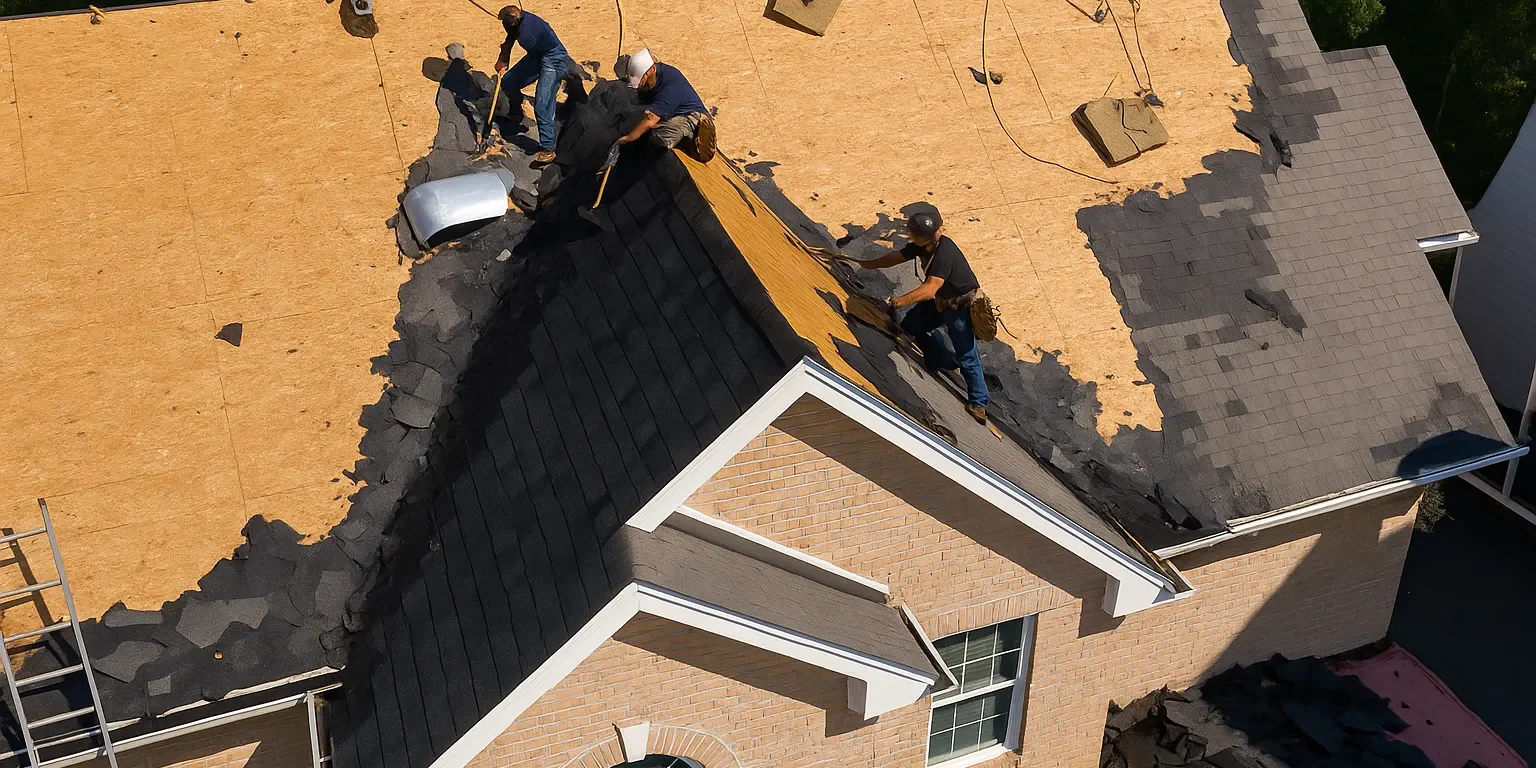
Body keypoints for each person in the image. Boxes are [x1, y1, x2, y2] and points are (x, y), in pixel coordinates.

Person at [843, 207, 990, 422]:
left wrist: (897, 302)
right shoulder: (924, 246)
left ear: (921, 236)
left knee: (967, 354)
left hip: (960, 308)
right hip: (941, 301)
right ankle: (940, 358)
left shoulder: (944, 254)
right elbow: (896, 257)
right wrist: (866, 264)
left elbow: (930, 289)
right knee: (910, 327)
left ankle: (979, 403)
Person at [495, 4, 578, 163]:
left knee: (542, 103)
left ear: (512, 22)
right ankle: (516, 112)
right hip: (537, 54)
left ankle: (548, 148)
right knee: (509, 82)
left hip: (554, 58)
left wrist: (504, 55)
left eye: (504, 23)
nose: (503, 26)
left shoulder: (528, 33)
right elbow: (510, 38)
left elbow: (511, 37)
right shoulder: (521, 19)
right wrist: (503, 58)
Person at [614, 48, 716, 160]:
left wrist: (628, 138)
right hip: (671, 111)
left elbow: (650, 119)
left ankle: (695, 139)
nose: (641, 85)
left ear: (652, 69)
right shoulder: (654, 75)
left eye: (642, 80)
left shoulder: (670, 87)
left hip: (691, 116)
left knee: (660, 138)